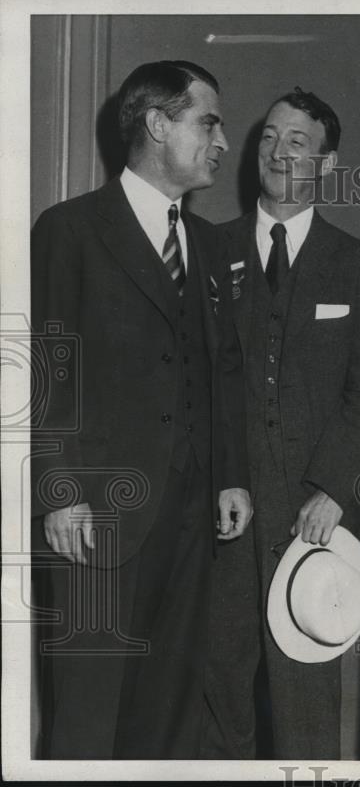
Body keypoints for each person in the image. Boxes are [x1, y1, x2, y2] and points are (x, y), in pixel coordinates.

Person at [30, 60, 252, 759]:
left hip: (190, 522)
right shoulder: (70, 230)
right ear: (157, 124)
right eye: (207, 121)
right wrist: (60, 493)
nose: (222, 140)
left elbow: (224, 371)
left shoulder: (211, 246)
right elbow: (46, 368)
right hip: (98, 516)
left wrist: (229, 476)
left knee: (170, 715)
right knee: (90, 716)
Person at [200, 87, 360, 760]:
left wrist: (334, 488)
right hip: (225, 513)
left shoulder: (359, 265)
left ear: (328, 162)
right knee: (219, 692)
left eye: (298, 142)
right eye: (269, 139)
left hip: (314, 517)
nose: (280, 153)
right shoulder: (208, 250)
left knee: (305, 701)